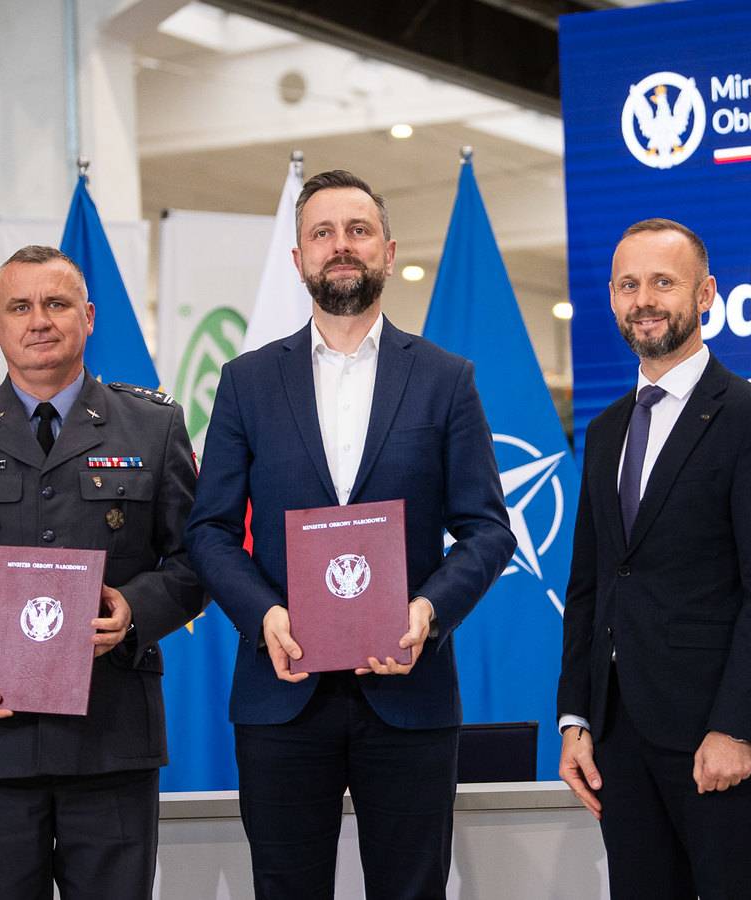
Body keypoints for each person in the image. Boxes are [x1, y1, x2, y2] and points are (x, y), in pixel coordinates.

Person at [185, 169, 515, 899]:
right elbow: (208, 531)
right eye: (322, 233)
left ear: (388, 252)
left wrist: (427, 612)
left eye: (358, 231)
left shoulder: (446, 379)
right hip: (280, 690)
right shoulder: (245, 382)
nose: (341, 245)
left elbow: (488, 530)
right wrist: (264, 616)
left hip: (409, 689)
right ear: (298, 257)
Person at [0, 245, 205, 899]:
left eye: (56, 304)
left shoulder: (152, 427)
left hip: (111, 739)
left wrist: (134, 611)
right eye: (20, 307)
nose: (39, 321)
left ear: (88, 316)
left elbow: (198, 560)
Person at [556, 219, 751, 898]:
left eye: (663, 282)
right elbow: (590, 587)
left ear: (705, 295)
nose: (644, 300)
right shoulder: (605, 431)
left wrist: (736, 727)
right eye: (628, 285)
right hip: (618, 741)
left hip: (715, 737)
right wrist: (576, 718)